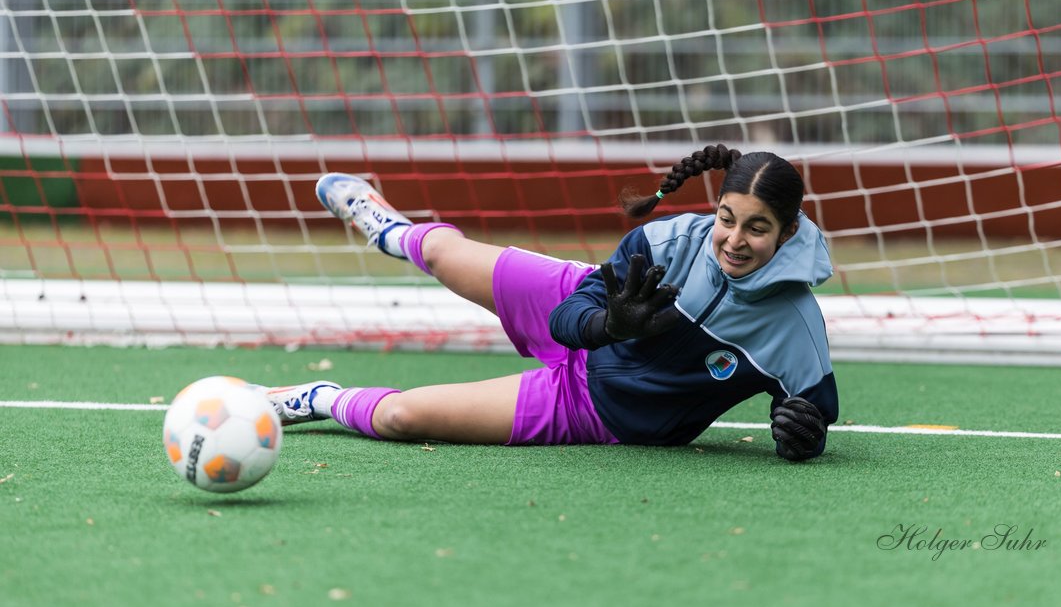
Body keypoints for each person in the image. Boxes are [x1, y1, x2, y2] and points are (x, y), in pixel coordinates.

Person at [256, 144, 838, 461]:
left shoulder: (795, 326)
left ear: (787, 233)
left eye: (756, 229)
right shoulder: (669, 241)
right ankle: (389, 230)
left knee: (400, 417)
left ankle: (320, 399)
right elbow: (566, 319)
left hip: (594, 409)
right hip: (581, 311)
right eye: (726, 219)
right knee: (446, 257)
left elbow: (813, 415)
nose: (734, 241)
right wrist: (610, 322)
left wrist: (802, 437)